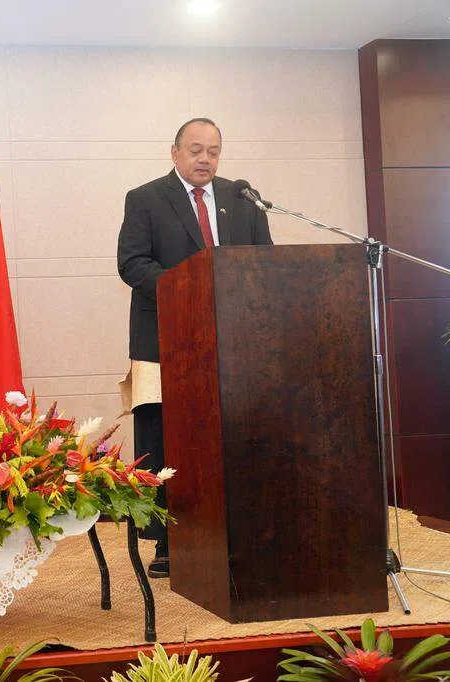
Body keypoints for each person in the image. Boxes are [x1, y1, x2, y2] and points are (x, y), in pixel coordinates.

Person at [117, 118, 273, 578]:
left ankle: (237, 533)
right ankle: (169, 541)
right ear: (175, 153)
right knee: (167, 438)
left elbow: (265, 263)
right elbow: (132, 263)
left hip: (233, 338)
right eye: (196, 150)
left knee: (232, 434)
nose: (205, 159)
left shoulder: (242, 199)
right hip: (166, 339)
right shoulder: (145, 199)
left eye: (214, 151)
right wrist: (189, 288)